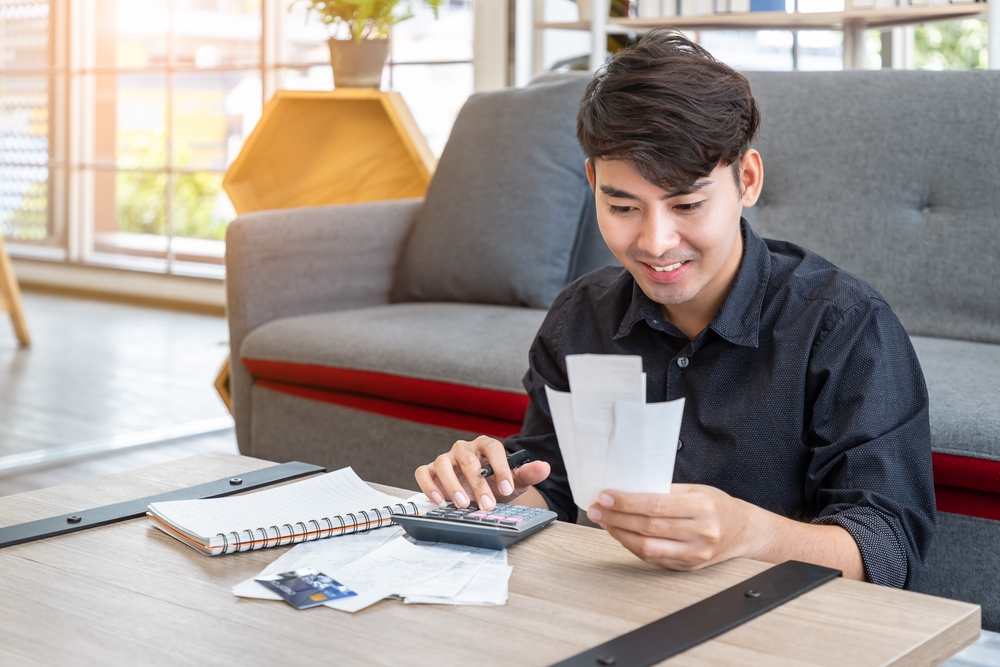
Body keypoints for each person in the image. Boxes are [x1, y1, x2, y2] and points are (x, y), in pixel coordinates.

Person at [414, 30, 935, 589]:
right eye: (622, 206)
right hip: (603, 610)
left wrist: (750, 534)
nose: (656, 242)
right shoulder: (580, 317)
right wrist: (501, 490)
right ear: (592, 183)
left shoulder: (845, 325)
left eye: (687, 204)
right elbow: (559, 487)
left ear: (748, 179)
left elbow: (887, 550)